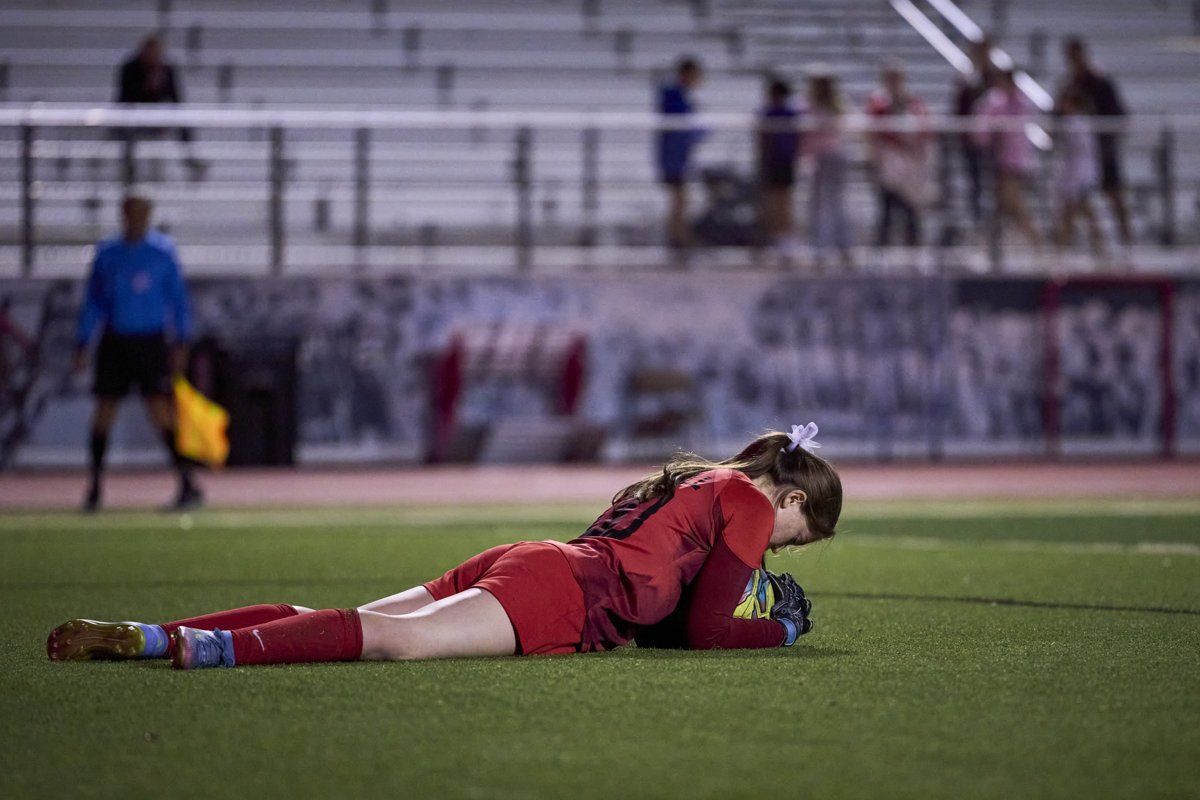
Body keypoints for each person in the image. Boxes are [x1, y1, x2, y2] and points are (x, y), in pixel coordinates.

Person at [46, 424, 842, 668]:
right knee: (392, 643)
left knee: (340, 616)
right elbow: (701, 631)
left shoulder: (705, 480)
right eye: (792, 539)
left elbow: (669, 617)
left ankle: (160, 635)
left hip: (537, 562)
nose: (777, 552)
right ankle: (201, 652)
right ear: (792, 498)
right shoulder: (745, 499)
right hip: (562, 591)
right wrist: (781, 628)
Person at [74, 188, 202, 512]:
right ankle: (94, 488)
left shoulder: (162, 252)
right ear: (123, 215)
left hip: (150, 341)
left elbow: (178, 300)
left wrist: (182, 341)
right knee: (104, 411)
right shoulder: (108, 254)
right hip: (116, 340)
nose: (137, 219)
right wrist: (83, 341)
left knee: (161, 412)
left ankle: (187, 484)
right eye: (132, 212)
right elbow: (93, 302)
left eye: (143, 213)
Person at [1061, 36, 1130, 245]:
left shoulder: (1100, 80)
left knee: (1114, 193)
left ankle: (1126, 238)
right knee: (1077, 199)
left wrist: (1107, 137)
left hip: (1103, 147)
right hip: (1081, 152)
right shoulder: (1070, 84)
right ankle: (1093, 240)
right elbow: (1059, 112)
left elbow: (1117, 112)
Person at [116, 34, 205, 182]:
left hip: (159, 117)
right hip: (134, 118)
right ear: (142, 52)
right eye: (150, 53)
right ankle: (129, 170)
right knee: (126, 132)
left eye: (156, 53)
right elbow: (123, 98)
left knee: (184, 125)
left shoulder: (167, 70)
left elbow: (176, 98)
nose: (153, 56)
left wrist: (168, 116)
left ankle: (192, 162)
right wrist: (146, 87)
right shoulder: (129, 68)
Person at [973, 68, 1043, 248]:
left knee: (1013, 203)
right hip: (1001, 159)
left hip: (1016, 160)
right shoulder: (997, 101)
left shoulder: (1020, 103)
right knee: (1003, 203)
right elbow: (983, 130)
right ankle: (992, 244)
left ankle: (1037, 242)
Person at [866, 60, 932, 247]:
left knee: (911, 211)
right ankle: (881, 253)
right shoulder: (878, 102)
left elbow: (924, 128)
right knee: (886, 210)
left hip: (910, 166)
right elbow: (875, 130)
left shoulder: (913, 102)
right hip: (887, 164)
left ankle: (914, 251)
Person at [804, 70, 853, 266]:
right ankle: (835, 247)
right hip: (826, 157)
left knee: (827, 204)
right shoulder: (830, 105)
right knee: (827, 203)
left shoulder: (827, 107)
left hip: (828, 157)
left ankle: (830, 248)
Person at [656, 57, 704, 250]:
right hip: (672, 158)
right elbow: (678, 126)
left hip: (681, 157)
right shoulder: (673, 95)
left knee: (681, 200)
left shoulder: (682, 96)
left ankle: (679, 239)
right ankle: (677, 240)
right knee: (679, 200)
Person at [951, 38, 996, 228]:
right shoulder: (966, 76)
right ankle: (979, 222)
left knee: (994, 183)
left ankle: (994, 224)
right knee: (975, 182)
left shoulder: (993, 77)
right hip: (971, 139)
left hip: (993, 141)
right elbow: (959, 106)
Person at [1052, 89, 1104, 252]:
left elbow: (1078, 150)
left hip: (1079, 172)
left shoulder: (1076, 123)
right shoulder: (1075, 122)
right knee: (1076, 210)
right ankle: (1071, 242)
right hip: (1075, 171)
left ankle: (1066, 243)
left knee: (1074, 210)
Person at [756, 76, 803, 256]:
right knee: (776, 202)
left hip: (782, 162)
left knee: (783, 202)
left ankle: (785, 239)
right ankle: (778, 238)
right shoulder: (769, 112)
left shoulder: (787, 112)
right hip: (774, 162)